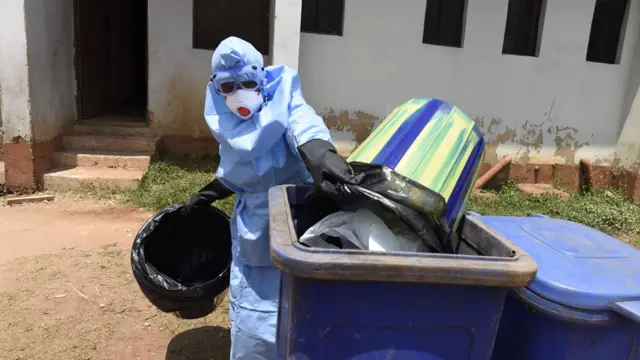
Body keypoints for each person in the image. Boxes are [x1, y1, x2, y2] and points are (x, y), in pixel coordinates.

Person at [200, 36, 354, 359]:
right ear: (216, 89)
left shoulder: (283, 98)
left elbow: (303, 124)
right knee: (251, 321)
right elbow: (240, 173)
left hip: (291, 222)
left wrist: (319, 152)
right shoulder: (227, 121)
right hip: (252, 235)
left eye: (246, 81)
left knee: (297, 311)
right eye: (228, 87)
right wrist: (206, 194)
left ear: (261, 77)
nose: (238, 93)